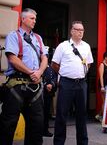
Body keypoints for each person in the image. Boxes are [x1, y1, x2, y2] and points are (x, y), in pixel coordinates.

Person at [0, 8, 48, 145]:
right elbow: (12, 58)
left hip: (35, 87)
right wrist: (30, 72)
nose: (35, 21)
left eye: (35, 19)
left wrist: (39, 72)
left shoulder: (38, 38)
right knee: (7, 125)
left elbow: (44, 58)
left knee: (36, 126)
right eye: (32, 18)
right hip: (17, 86)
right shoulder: (13, 36)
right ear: (23, 19)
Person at [52, 21, 93, 145]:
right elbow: (54, 64)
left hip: (81, 83)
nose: (81, 32)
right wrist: (65, 73)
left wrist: (80, 73)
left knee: (81, 115)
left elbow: (89, 63)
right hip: (66, 83)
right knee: (62, 115)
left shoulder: (86, 46)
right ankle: (59, 142)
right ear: (72, 31)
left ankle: (83, 142)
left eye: (82, 30)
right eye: (78, 29)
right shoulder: (63, 46)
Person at [95, 51, 107, 122]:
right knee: (104, 101)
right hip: (103, 85)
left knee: (106, 102)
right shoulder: (102, 65)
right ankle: (102, 117)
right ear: (105, 58)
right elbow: (101, 76)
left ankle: (99, 115)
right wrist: (102, 87)